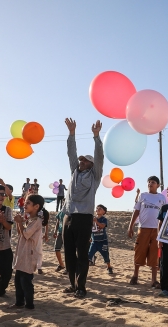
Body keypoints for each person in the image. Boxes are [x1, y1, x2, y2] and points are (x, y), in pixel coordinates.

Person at [62, 117, 103, 298]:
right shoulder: (74, 172)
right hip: (68, 217)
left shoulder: (94, 177)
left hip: (84, 219)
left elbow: (100, 157)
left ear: (92, 165)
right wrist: (72, 134)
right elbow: (71, 153)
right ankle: (72, 284)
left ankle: (81, 287)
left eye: (85, 161)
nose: (81, 162)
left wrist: (96, 137)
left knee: (81, 255)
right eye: (81, 161)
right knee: (69, 254)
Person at [127, 176, 167, 286]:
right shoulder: (143, 195)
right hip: (143, 228)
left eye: (153, 182)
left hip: (157, 230)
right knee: (139, 251)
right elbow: (136, 211)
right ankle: (135, 276)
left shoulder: (162, 198)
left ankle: (154, 280)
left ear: (158, 185)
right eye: (148, 182)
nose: (150, 184)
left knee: (155, 254)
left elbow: (166, 215)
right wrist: (130, 227)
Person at [9, 194, 45, 310]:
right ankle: (19, 302)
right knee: (18, 280)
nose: (25, 205)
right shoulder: (29, 219)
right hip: (22, 252)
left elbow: (26, 234)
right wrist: (19, 222)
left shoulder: (37, 221)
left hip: (29, 254)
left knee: (26, 281)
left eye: (28, 203)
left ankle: (29, 304)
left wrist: (19, 222)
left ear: (36, 206)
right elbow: (21, 233)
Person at [89, 204, 113, 274]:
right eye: (97, 208)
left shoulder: (104, 219)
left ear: (104, 212)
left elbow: (102, 226)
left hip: (103, 241)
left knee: (105, 255)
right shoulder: (92, 219)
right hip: (94, 242)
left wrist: (96, 222)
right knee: (89, 255)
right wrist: (90, 237)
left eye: (100, 209)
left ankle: (109, 267)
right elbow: (91, 229)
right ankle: (85, 269)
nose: (98, 209)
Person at [35, 207, 49, 274]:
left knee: (39, 250)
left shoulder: (42, 211)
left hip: (38, 232)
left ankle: (39, 267)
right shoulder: (31, 210)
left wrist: (46, 234)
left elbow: (46, 223)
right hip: (30, 231)